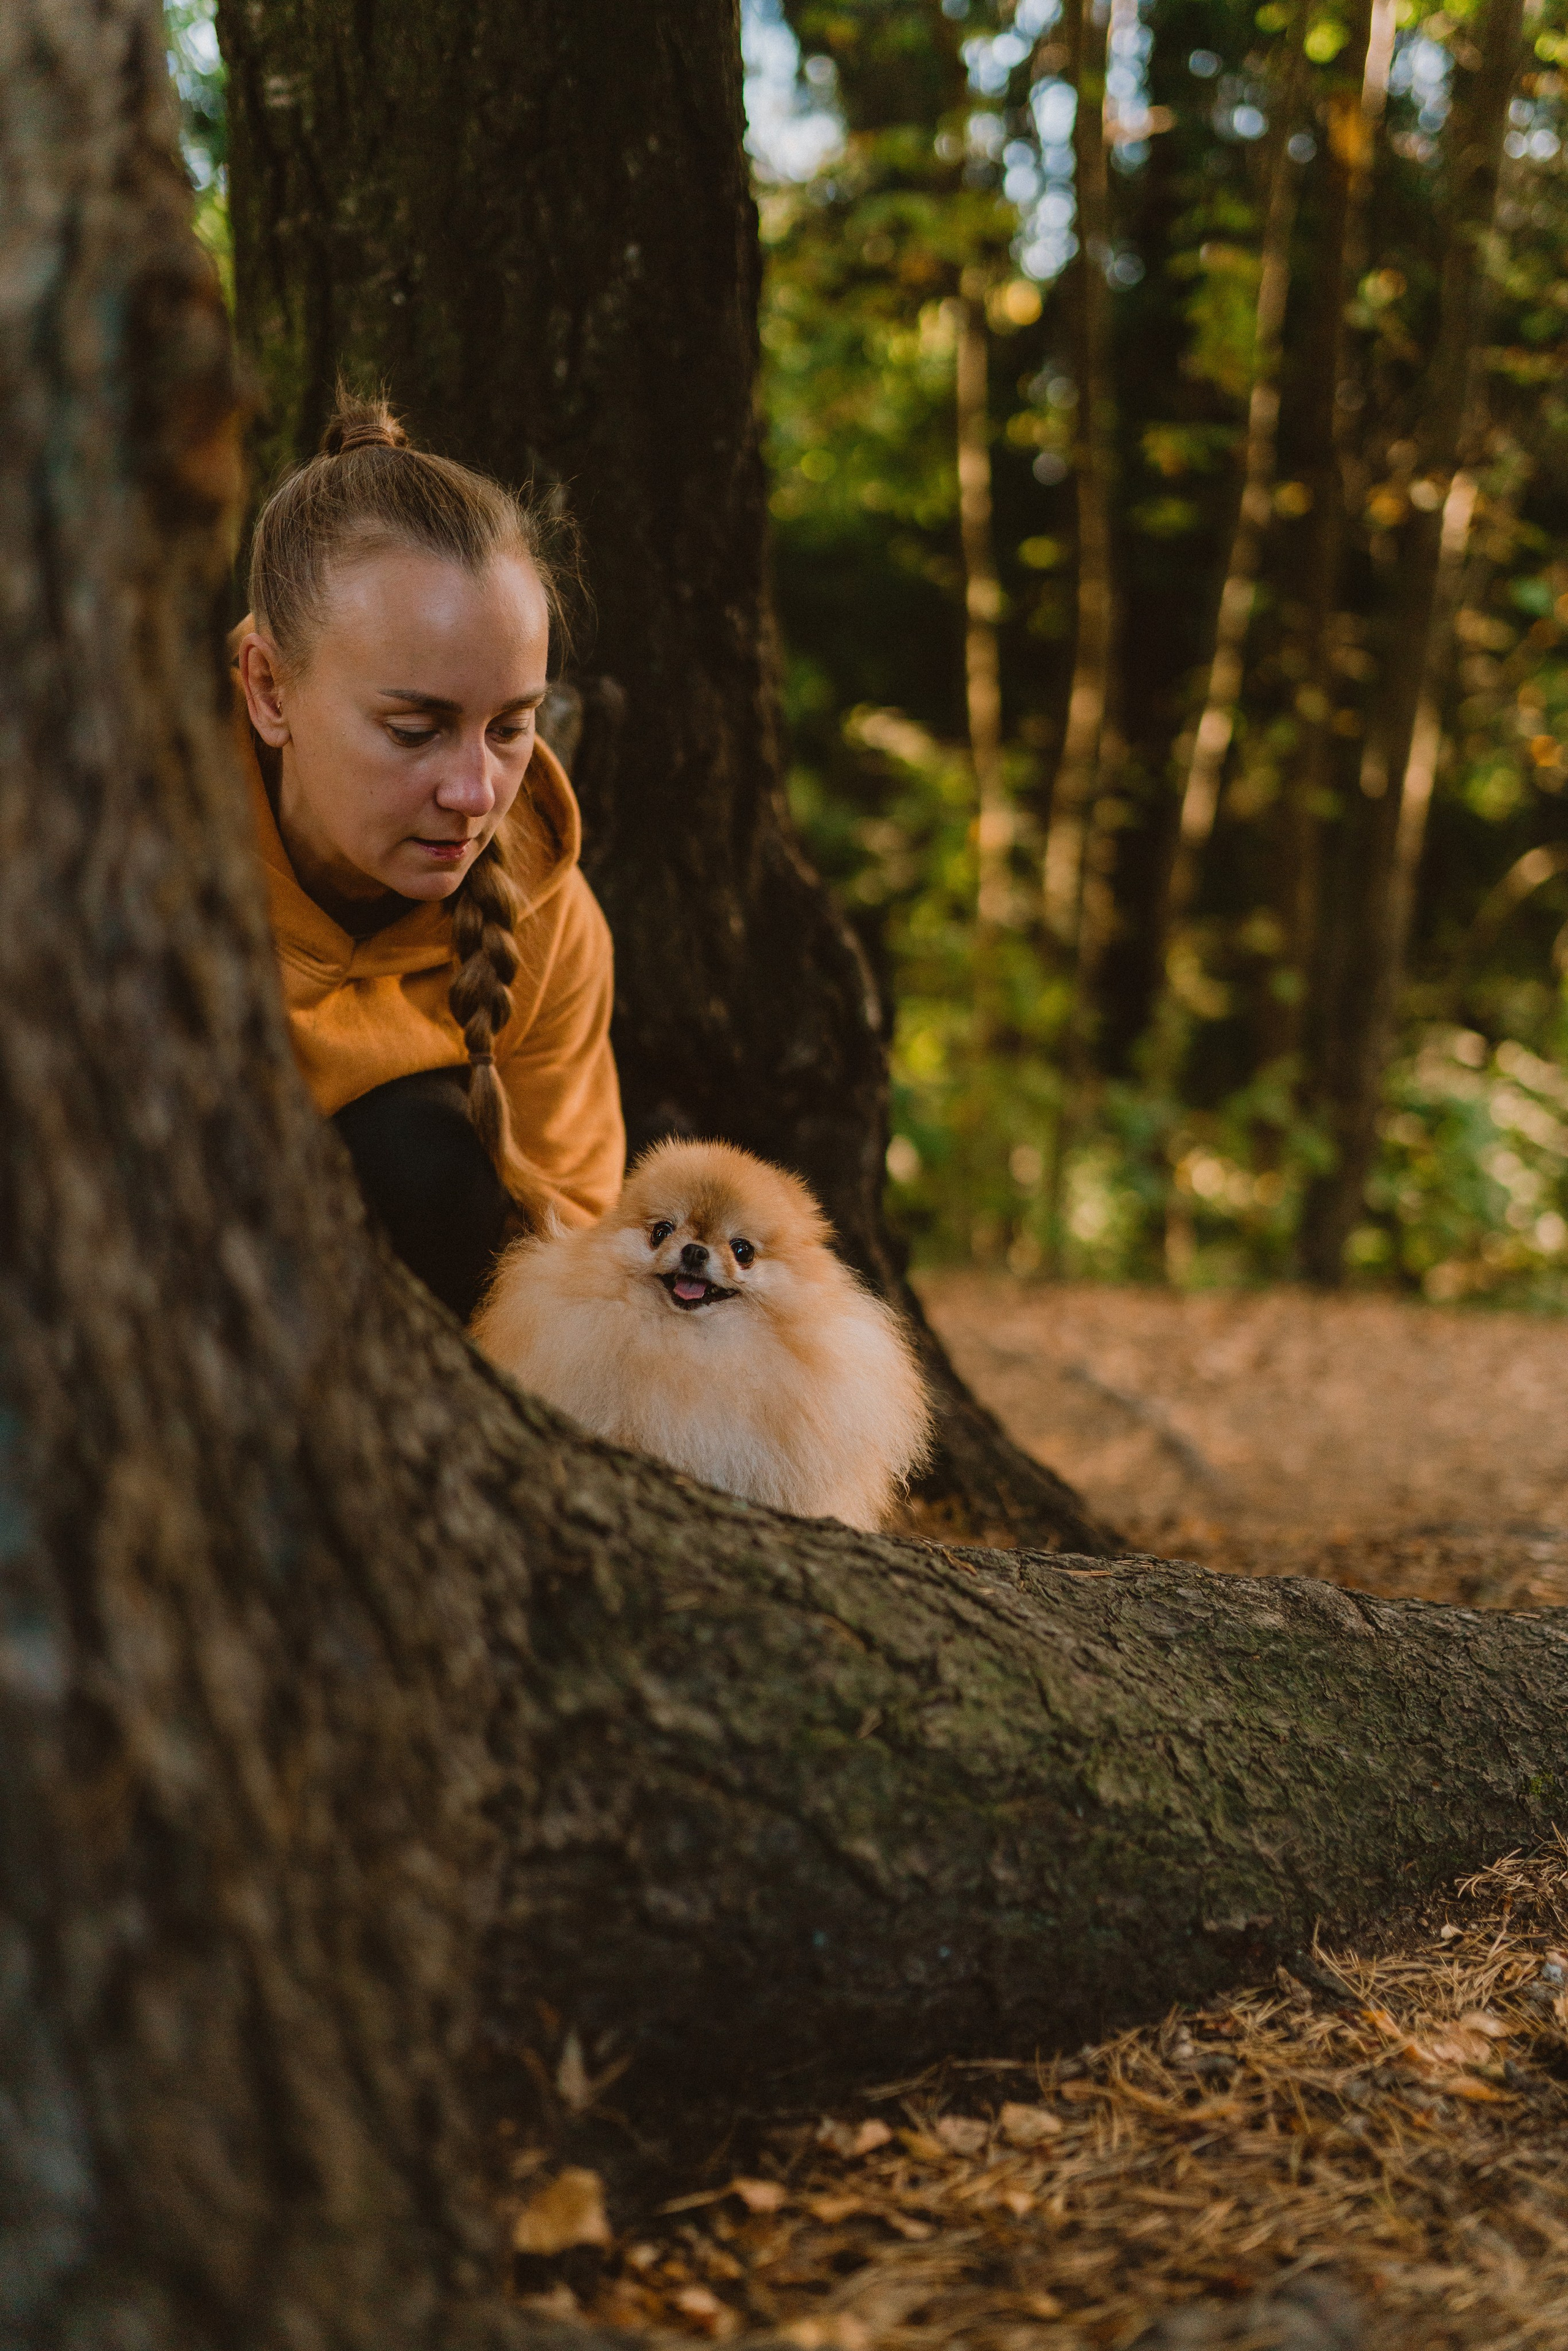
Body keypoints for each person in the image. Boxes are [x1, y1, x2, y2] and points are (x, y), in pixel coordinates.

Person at [233, 390, 625, 1322]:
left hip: (422, 1393)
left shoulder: (548, 920)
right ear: (270, 689)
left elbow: (575, 1267)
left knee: (421, 1150)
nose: (476, 792)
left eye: (510, 727)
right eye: (415, 729)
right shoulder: (113, 856)